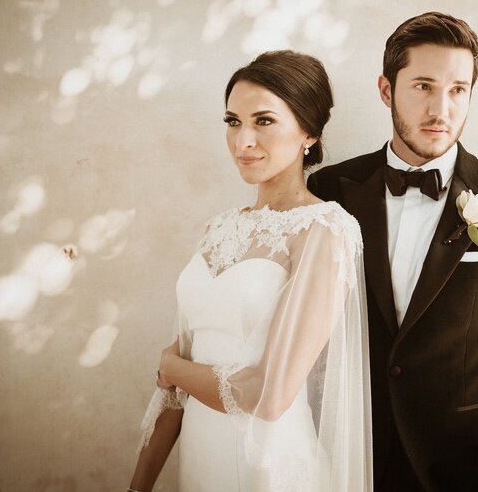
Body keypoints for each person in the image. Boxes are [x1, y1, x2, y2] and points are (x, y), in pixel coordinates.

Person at [308, 12, 478, 492]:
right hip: (351, 454)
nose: (440, 109)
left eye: (457, 89)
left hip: (469, 463)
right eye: (423, 86)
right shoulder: (329, 191)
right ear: (387, 90)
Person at [129, 50, 372, 492]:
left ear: (309, 134)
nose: (243, 141)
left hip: (267, 467)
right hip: (200, 461)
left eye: (263, 121)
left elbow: (269, 394)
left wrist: (172, 368)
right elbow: (172, 390)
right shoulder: (217, 228)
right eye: (232, 121)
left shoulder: (324, 229)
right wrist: (136, 486)